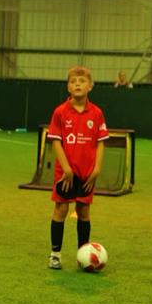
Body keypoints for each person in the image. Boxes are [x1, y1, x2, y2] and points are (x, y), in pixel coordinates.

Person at [46, 65, 107, 270]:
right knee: (61, 209)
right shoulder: (60, 112)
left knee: (83, 210)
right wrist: (66, 169)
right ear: (68, 87)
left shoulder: (97, 113)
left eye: (81, 81)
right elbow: (55, 142)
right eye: (73, 81)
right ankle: (55, 254)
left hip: (87, 172)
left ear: (90, 86)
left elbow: (100, 142)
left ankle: (84, 255)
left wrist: (97, 169)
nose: (77, 84)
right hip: (65, 173)